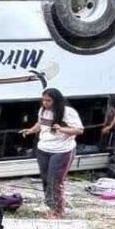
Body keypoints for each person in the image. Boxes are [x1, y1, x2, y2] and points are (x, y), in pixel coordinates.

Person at [21, 88, 84, 218]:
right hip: (43, 148)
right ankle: (51, 206)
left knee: (55, 181)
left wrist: (62, 129)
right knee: (45, 179)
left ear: (56, 100)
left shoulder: (68, 112)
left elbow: (79, 130)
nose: (45, 103)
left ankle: (58, 211)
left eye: (48, 100)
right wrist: (31, 130)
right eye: (43, 100)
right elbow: (40, 123)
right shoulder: (42, 110)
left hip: (62, 150)